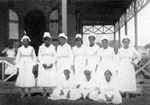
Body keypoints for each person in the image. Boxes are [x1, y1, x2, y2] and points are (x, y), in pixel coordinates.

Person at [37, 32, 57, 97]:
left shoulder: (53, 47)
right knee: (43, 77)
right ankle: (44, 92)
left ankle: (50, 92)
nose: (47, 41)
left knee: (50, 77)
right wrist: (43, 63)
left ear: (50, 40)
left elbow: (55, 56)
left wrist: (52, 63)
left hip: (51, 63)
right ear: (44, 40)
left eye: (48, 39)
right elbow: (39, 56)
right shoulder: (41, 47)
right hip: (43, 63)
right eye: (45, 39)